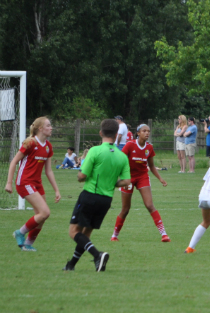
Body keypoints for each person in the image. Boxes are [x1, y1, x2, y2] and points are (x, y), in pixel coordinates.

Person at [63, 119, 131, 272]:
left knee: (73, 232)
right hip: (106, 200)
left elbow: (82, 176)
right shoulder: (122, 156)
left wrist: (81, 175)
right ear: (116, 135)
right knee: (86, 233)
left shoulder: (94, 151)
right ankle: (71, 265)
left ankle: (97, 254)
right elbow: (127, 181)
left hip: (90, 195)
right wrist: (112, 183)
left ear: (101, 133)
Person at [5, 116, 61, 252]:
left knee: (41, 217)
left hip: (37, 183)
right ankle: (20, 232)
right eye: (48, 125)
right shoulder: (30, 143)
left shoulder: (48, 146)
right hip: (24, 182)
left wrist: (56, 190)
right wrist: (9, 183)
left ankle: (28, 244)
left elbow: (48, 171)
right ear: (40, 129)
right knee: (45, 212)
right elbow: (13, 162)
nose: (51, 127)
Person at [111, 123, 170, 242]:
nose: (147, 133)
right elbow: (120, 162)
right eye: (144, 131)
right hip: (128, 178)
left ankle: (164, 234)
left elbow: (152, 166)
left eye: (148, 131)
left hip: (142, 177)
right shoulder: (130, 145)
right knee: (125, 209)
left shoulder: (149, 147)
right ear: (138, 133)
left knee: (149, 205)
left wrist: (160, 178)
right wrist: (120, 177)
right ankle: (114, 235)